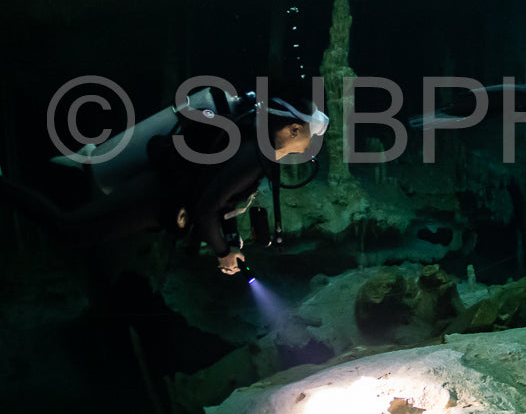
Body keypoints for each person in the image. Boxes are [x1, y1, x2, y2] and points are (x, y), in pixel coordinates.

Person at [0, 85, 328, 276]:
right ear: (293, 129)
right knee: (67, 230)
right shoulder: (255, 154)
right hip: (156, 197)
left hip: (162, 195)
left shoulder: (247, 135)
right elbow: (205, 208)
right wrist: (222, 253)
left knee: (72, 222)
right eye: (308, 140)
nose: (306, 149)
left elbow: (215, 197)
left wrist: (226, 236)